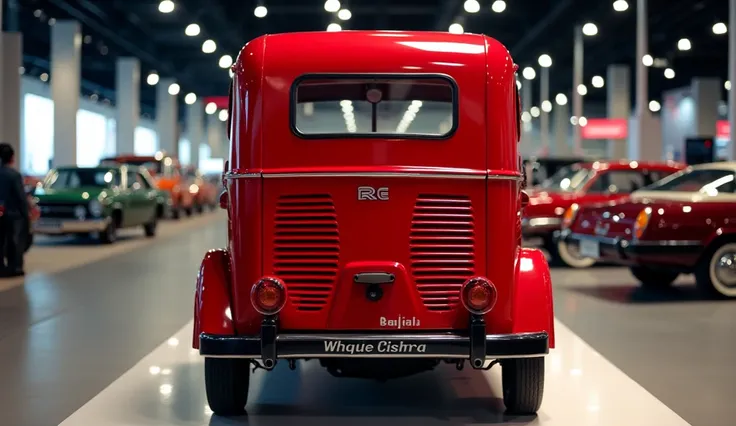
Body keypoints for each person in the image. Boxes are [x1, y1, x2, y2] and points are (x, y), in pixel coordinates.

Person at [0, 143, 28, 277]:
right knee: (15, 241)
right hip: (13, 215)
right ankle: (15, 267)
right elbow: (20, 198)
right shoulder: (14, 175)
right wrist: (26, 214)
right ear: (12, 157)